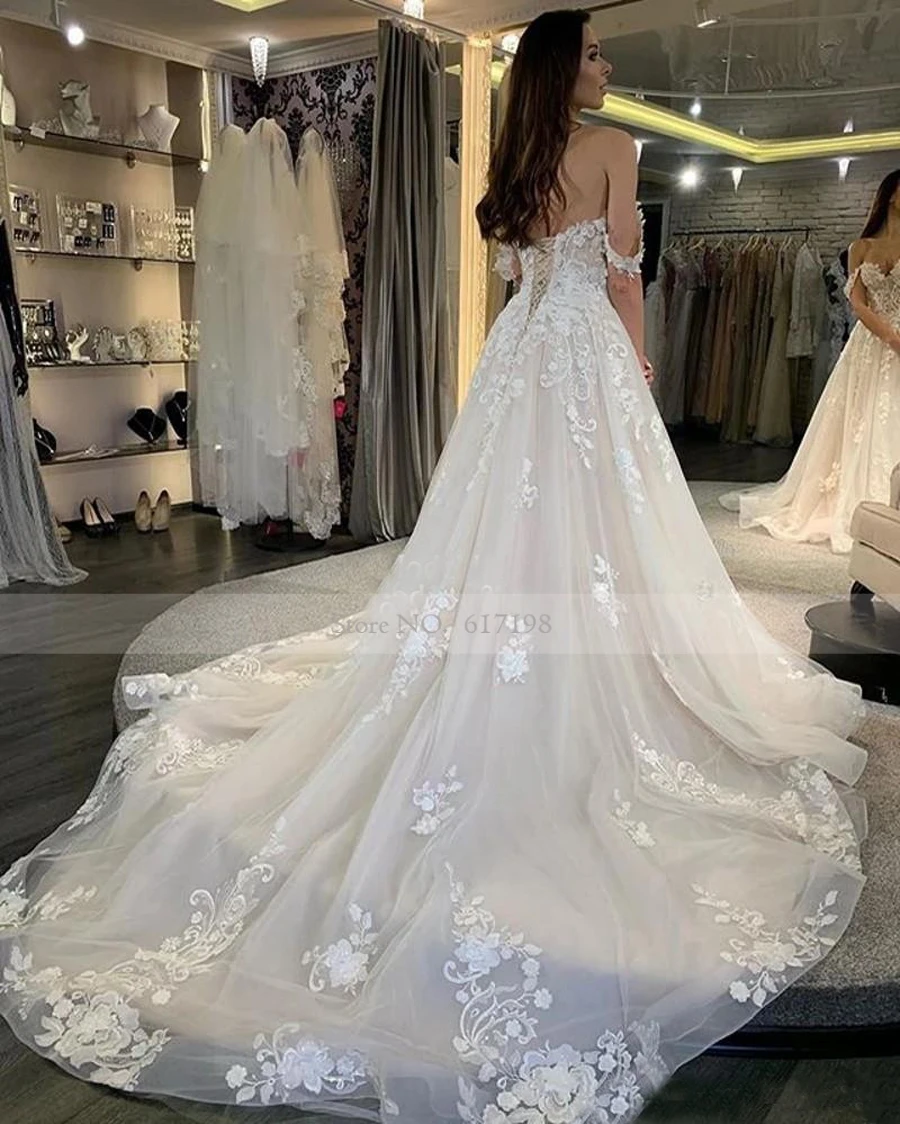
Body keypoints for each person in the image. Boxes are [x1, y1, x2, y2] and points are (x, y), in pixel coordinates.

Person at [0, 11, 867, 1123]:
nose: (608, 67)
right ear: (564, 68)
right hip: (584, 358)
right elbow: (621, 280)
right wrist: (639, 365)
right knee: (603, 528)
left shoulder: (514, 163)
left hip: (520, 359)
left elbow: (522, 282)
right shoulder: (613, 149)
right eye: (596, 54)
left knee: (507, 524)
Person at [720, 169, 900, 553]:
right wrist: (888, 334)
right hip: (870, 344)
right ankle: (850, 500)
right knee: (857, 417)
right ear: (891, 195)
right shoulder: (861, 247)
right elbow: (857, 302)